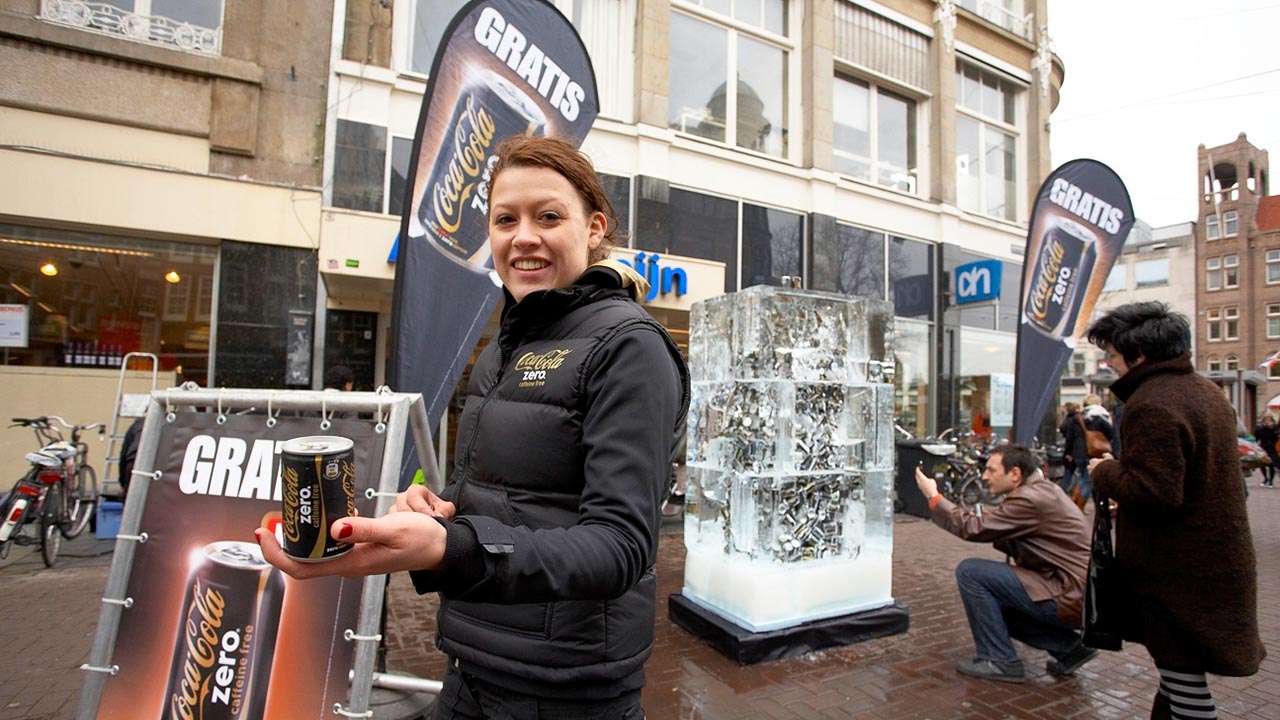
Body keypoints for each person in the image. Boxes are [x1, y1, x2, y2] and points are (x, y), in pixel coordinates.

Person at [256, 135, 689, 718]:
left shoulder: (629, 347)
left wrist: (451, 547)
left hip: (566, 692)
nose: (523, 236)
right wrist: (438, 511)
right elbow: (498, 505)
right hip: (470, 667)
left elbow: (620, 548)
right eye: (505, 219)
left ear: (594, 228)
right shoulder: (503, 350)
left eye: (549, 216)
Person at [1085, 302, 1265, 720]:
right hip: (1210, 564)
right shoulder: (1205, 393)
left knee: (1186, 688)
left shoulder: (1153, 404)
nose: (1107, 362)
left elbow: (1156, 491)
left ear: (1140, 355)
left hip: (1177, 575)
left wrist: (1105, 471)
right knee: (1176, 678)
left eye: (1111, 353)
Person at [913, 444, 1096, 683]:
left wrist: (934, 497)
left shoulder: (1029, 499)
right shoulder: (1042, 490)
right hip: (1078, 593)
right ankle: (1070, 649)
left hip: (1069, 593)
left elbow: (972, 528)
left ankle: (1000, 660)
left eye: (991, 470)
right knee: (996, 608)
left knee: (971, 572)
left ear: (1015, 474)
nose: (984, 476)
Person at [1057, 402, 1087, 500]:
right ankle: (1076, 500)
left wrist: (1068, 452)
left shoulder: (1068, 421)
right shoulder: (1079, 420)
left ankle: (1060, 495)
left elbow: (1068, 437)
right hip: (1079, 452)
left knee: (1068, 474)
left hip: (1073, 452)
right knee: (1084, 478)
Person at [1255, 414, 1279, 487]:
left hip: (1272, 448)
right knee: (1262, 464)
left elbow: (1276, 437)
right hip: (1263, 447)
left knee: (1271, 464)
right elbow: (1256, 436)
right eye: (1266, 419)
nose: (1268, 421)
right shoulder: (1260, 428)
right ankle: (1265, 478)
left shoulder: (1274, 428)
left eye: (1269, 419)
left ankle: (1271, 480)